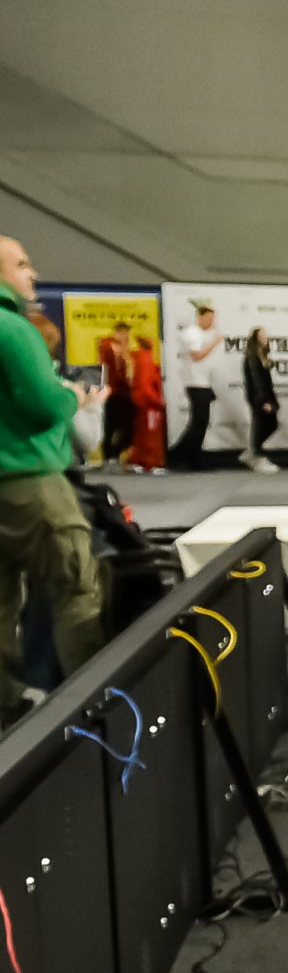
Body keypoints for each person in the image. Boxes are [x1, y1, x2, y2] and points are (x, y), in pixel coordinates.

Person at [0, 237, 106, 722]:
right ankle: (93, 708)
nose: (33, 273)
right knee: (75, 588)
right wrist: (74, 397)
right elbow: (45, 406)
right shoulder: (13, 328)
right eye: (22, 264)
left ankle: (8, 708)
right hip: (30, 480)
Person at [167, 301, 222, 469]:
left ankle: (192, 457)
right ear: (201, 317)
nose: (212, 323)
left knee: (200, 423)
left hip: (201, 383)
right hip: (196, 384)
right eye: (210, 319)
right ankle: (177, 456)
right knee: (198, 423)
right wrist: (214, 342)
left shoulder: (197, 334)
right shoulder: (192, 333)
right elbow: (196, 356)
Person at [242, 327, 283, 474]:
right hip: (258, 398)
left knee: (272, 424)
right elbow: (256, 381)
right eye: (262, 335)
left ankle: (250, 452)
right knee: (260, 426)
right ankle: (257, 457)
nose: (266, 337)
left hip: (266, 395)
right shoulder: (252, 357)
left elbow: (266, 381)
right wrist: (263, 401)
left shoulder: (262, 355)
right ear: (256, 338)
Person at [125, 334, 166, 472]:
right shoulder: (146, 360)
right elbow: (145, 385)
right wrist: (157, 401)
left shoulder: (138, 358)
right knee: (151, 434)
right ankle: (151, 462)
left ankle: (139, 461)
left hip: (141, 401)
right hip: (149, 403)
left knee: (142, 433)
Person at [97, 320, 133, 468]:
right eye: (124, 333)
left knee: (128, 425)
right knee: (110, 425)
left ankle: (115, 453)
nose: (126, 336)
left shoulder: (125, 348)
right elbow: (106, 367)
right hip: (112, 391)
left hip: (124, 391)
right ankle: (108, 455)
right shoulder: (108, 345)